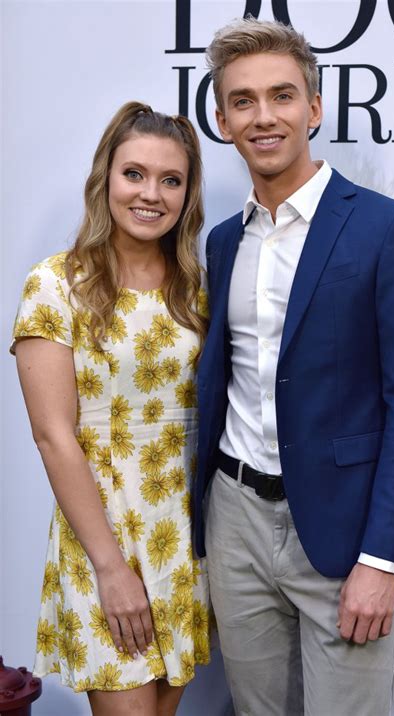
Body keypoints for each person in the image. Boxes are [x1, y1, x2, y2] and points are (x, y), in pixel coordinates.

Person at [193, 18, 394, 716]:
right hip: (236, 519)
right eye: (242, 101)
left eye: (281, 95)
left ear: (314, 107)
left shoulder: (389, 229)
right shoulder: (223, 242)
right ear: (221, 118)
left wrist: (383, 559)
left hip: (344, 533)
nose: (263, 116)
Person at [11, 102, 211, 716]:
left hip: (185, 541)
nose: (151, 194)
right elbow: (53, 437)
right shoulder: (56, 284)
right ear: (105, 180)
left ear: (187, 193)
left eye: (170, 180)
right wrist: (111, 569)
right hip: (105, 536)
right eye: (134, 174)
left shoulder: (198, 289)